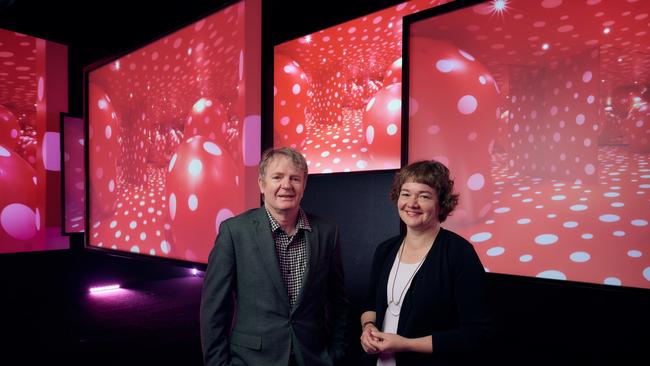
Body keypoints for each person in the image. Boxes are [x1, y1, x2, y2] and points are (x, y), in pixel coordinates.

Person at [200, 147, 349, 366]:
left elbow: (338, 302)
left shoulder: (327, 233)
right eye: (277, 177)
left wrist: (336, 353)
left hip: (312, 358)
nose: (286, 185)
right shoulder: (234, 232)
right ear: (262, 184)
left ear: (304, 185)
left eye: (295, 178)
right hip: (251, 360)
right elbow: (214, 309)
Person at [359, 160, 490, 366]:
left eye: (424, 196)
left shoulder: (459, 253)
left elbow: (474, 333)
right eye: (406, 193)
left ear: (441, 204)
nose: (412, 203)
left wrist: (406, 344)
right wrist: (368, 327)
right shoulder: (385, 250)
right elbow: (369, 305)